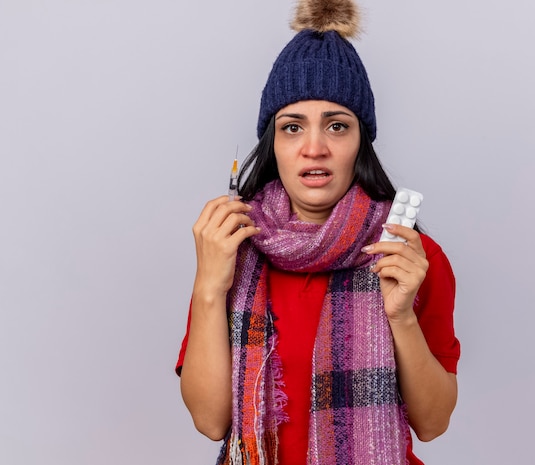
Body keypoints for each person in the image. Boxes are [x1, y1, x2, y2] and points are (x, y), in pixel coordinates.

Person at [175, 1, 460, 464]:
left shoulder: (409, 252)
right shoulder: (233, 250)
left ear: (359, 142)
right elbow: (211, 421)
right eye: (292, 127)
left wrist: (402, 316)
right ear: (274, 143)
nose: (314, 148)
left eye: (337, 126)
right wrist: (209, 286)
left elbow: (433, 423)